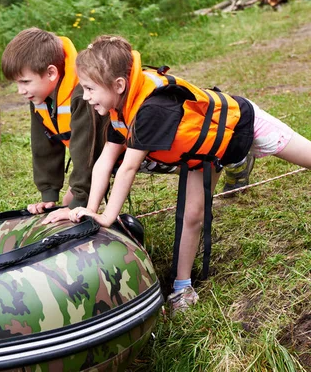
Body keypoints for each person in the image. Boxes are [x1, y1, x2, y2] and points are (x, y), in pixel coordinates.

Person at [45, 34, 311, 316]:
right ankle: (183, 288)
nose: (85, 97)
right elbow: (105, 160)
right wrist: (89, 210)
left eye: (89, 89)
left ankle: (241, 158)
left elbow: (128, 168)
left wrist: (108, 217)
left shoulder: (150, 110)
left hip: (242, 123)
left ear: (119, 85)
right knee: (193, 214)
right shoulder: (119, 107)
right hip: (204, 153)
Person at [1, 27, 106, 218]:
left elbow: (88, 150)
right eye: (17, 83)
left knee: (71, 202)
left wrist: (78, 201)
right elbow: (44, 146)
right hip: (94, 155)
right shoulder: (38, 96)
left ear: (51, 73)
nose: (20, 91)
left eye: (25, 82)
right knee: (67, 201)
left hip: (121, 147)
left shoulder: (83, 95)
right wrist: (49, 194)